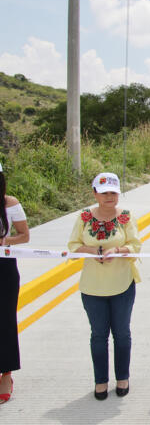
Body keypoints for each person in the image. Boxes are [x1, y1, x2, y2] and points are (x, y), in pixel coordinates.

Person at [67, 172, 141, 400]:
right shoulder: (84, 217)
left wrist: (117, 251)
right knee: (98, 335)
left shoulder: (126, 216)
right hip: (92, 288)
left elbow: (135, 245)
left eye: (113, 192)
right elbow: (73, 245)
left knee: (122, 333)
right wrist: (94, 252)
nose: (109, 196)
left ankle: (123, 377)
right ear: (95, 194)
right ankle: (100, 380)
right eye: (104, 192)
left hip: (122, 284)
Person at [0, 162, 30, 405]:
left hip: (4, 269)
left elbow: (25, 235)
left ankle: (6, 374)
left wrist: (4, 240)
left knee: (5, 321)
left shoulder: (10, 203)